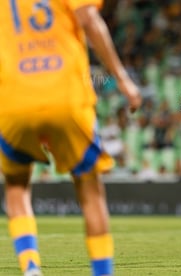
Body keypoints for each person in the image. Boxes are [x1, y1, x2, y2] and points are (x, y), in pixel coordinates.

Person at [0, 1, 141, 276]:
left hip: (15, 97)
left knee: (16, 185)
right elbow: (88, 18)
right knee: (90, 188)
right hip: (66, 94)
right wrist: (122, 78)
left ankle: (30, 266)